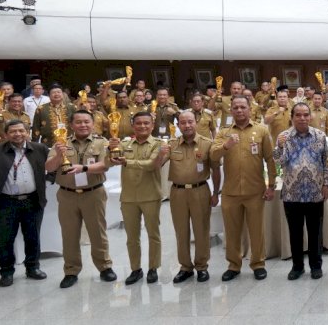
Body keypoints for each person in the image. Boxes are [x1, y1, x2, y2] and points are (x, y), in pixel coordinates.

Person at [46, 110, 116, 288]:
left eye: (86, 121)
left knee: (98, 232)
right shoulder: (61, 142)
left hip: (93, 193)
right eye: (78, 122)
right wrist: (59, 155)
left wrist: (83, 168)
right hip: (67, 195)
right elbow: (49, 167)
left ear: (92, 123)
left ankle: (104, 267)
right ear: (71, 125)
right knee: (69, 234)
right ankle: (71, 270)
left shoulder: (101, 142)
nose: (83, 125)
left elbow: (105, 165)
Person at [211, 96, 277, 281]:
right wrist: (226, 146)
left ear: (250, 109)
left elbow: (270, 159)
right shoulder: (224, 132)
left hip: (255, 191)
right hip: (230, 192)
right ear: (231, 110)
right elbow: (213, 156)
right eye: (235, 107)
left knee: (256, 231)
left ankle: (258, 264)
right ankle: (234, 265)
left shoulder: (261, 130)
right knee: (232, 231)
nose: (239, 110)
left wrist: (271, 185)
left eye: (242, 107)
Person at [0, 119, 48, 287]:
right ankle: (6, 272)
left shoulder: (40, 148)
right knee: (5, 238)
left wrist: (49, 179)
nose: (18, 134)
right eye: (13, 131)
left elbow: (52, 166)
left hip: (32, 200)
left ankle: (32, 267)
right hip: (6, 202)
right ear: (6, 135)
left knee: (33, 236)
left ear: (27, 132)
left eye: (21, 130)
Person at [108, 111, 167, 285]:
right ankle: (135, 269)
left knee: (153, 234)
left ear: (152, 125)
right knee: (132, 237)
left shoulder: (159, 144)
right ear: (133, 126)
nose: (142, 126)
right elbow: (110, 161)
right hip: (128, 197)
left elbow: (151, 165)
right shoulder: (124, 143)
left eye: (146, 123)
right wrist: (110, 149)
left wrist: (127, 162)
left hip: (150, 195)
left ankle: (153, 268)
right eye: (139, 123)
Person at [273, 103, 328, 281]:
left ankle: (316, 266)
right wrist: (279, 147)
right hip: (292, 193)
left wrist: (326, 183)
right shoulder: (284, 137)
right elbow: (278, 162)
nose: (302, 118)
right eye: (298, 115)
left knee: (315, 232)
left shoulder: (320, 136)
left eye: (306, 114)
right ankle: (297, 267)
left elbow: (326, 162)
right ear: (292, 117)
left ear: (310, 116)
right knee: (295, 232)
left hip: (314, 191)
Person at [167, 110, 220, 283]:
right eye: (183, 123)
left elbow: (216, 170)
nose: (187, 125)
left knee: (201, 230)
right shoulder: (172, 145)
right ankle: (185, 267)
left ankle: (202, 266)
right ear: (178, 125)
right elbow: (157, 164)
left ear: (196, 122)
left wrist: (216, 192)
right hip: (178, 192)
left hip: (200, 190)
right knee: (181, 231)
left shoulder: (207, 144)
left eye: (190, 122)